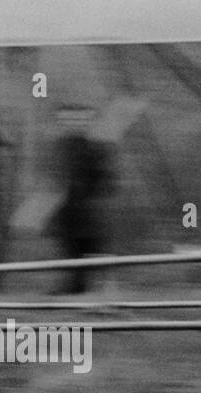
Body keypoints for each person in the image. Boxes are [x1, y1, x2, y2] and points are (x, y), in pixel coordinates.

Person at [51, 105, 115, 295]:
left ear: (89, 122)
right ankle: (75, 288)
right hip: (66, 211)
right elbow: (53, 177)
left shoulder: (96, 148)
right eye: (69, 120)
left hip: (88, 210)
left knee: (94, 248)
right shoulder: (60, 146)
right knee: (70, 250)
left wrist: (89, 199)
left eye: (80, 119)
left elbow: (106, 180)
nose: (75, 124)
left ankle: (104, 291)